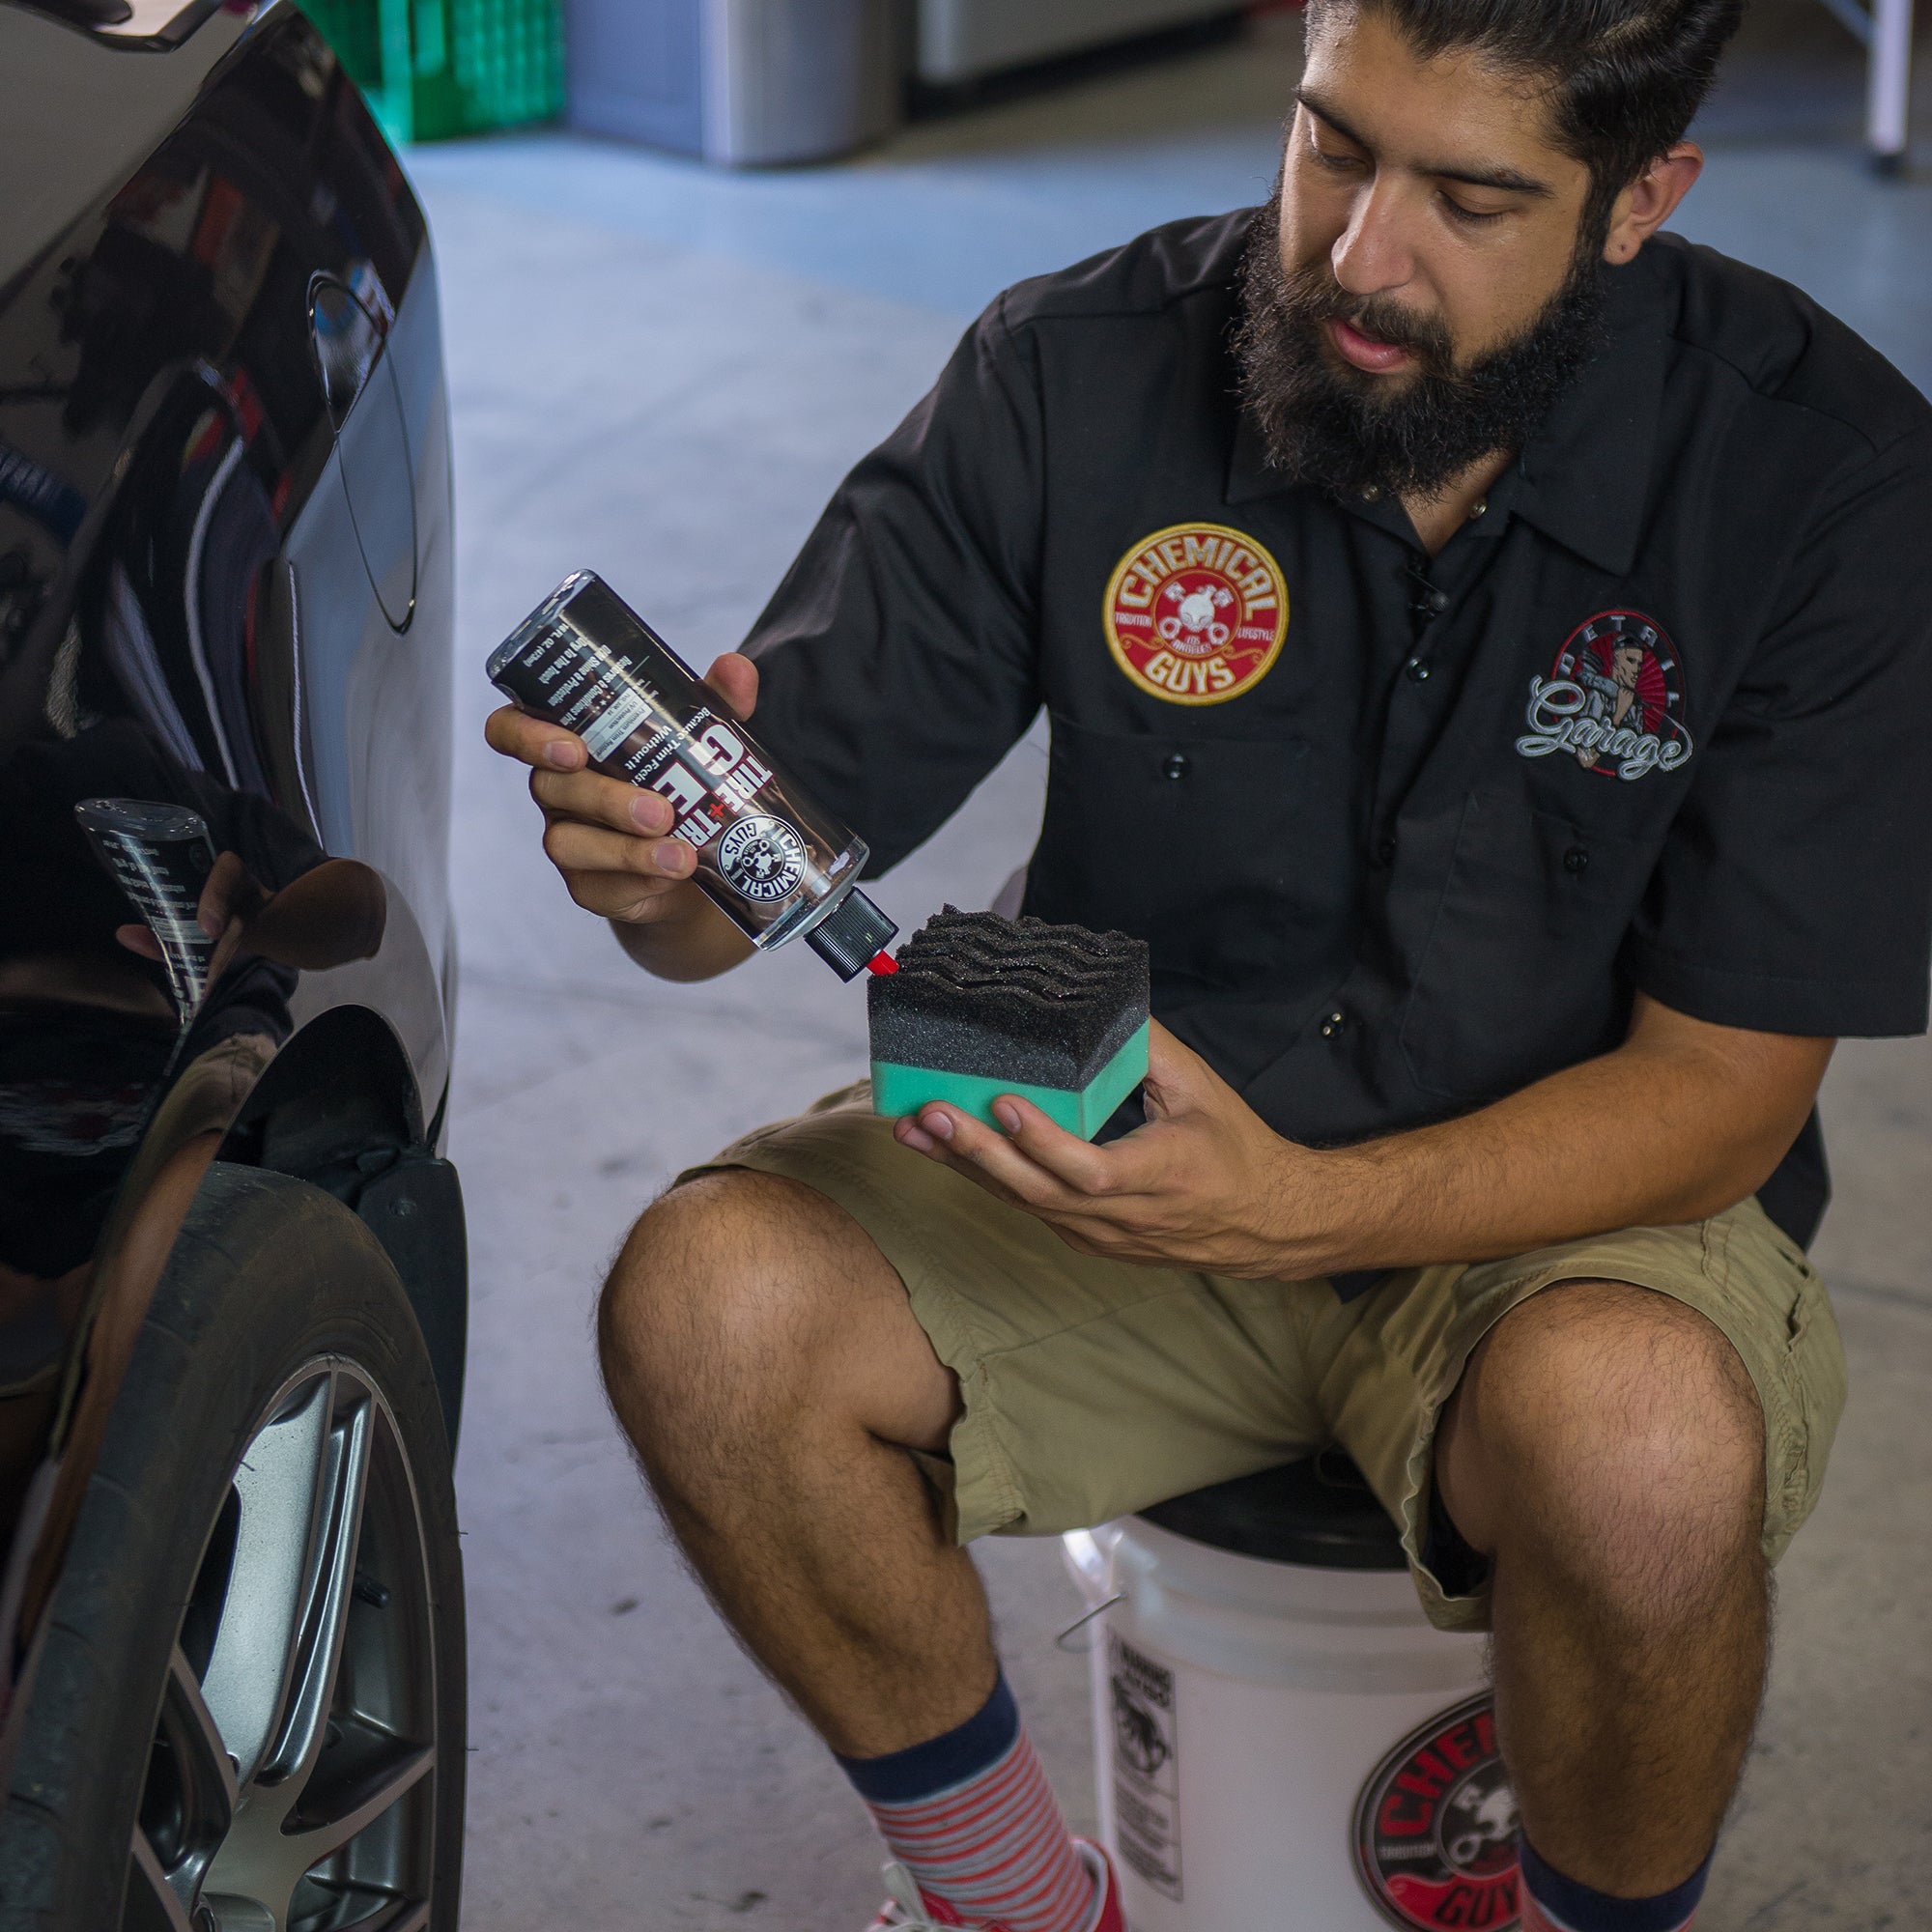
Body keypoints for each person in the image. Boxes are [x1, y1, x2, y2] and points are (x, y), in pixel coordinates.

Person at [487, 3, 1932, 1927]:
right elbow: (733, 885)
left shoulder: (1822, 477)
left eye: (1470, 201)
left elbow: (1721, 1094)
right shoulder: (1067, 372)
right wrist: (653, 870)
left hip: (1559, 1216)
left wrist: (1308, 1207)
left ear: (1636, 201)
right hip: (1116, 1165)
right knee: (707, 1307)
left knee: (1645, 1450)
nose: (1359, 254)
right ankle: (1021, 1906)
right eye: (1335, 143)